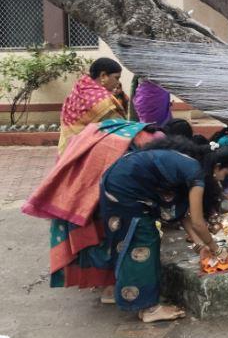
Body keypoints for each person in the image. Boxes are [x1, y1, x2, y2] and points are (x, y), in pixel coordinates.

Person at [100, 138, 228, 322]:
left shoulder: (187, 163)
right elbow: (197, 221)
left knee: (129, 240)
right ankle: (148, 309)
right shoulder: (196, 173)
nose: (223, 179)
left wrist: (199, 245)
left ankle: (118, 292)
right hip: (126, 191)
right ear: (217, 166)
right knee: (144, 241)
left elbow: (180, 213)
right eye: (225, 173)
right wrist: (216, 249)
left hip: (117, 182)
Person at [22, 119, 160, 294]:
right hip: (97, 184)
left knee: (96, 234)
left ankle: (103, 284)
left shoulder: (131, 132)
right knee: (107, 234)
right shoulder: (150, 144)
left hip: (82, 181)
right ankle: (109, 287)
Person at [58, 58, 127, 153]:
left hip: (67, 149)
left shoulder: (80, 87)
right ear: (103, 76)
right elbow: (120, 126)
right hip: (84, 153)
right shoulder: (102, 101)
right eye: (116, 78)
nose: (118, 82)